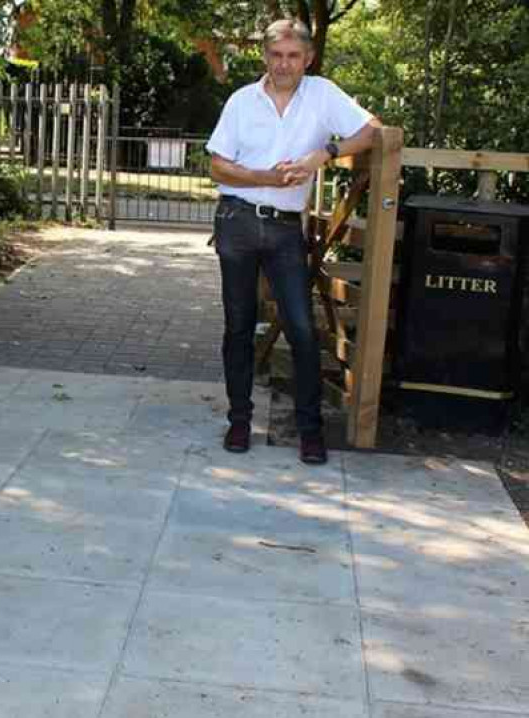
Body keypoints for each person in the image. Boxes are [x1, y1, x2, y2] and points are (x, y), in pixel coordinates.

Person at [206, 18, 380, 465]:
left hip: (285, 229)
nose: (284, 64)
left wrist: (324, 153)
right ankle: (240, 422)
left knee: (303, 330)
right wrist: (264, 176)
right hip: (237, 221)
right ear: (265, 56)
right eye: (276, 55)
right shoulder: (242, 101)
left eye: (293, 56)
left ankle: (309, 431)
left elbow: (372, 130)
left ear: (308, 58)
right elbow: (218, 168)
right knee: (239, 327)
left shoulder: (322, 94)